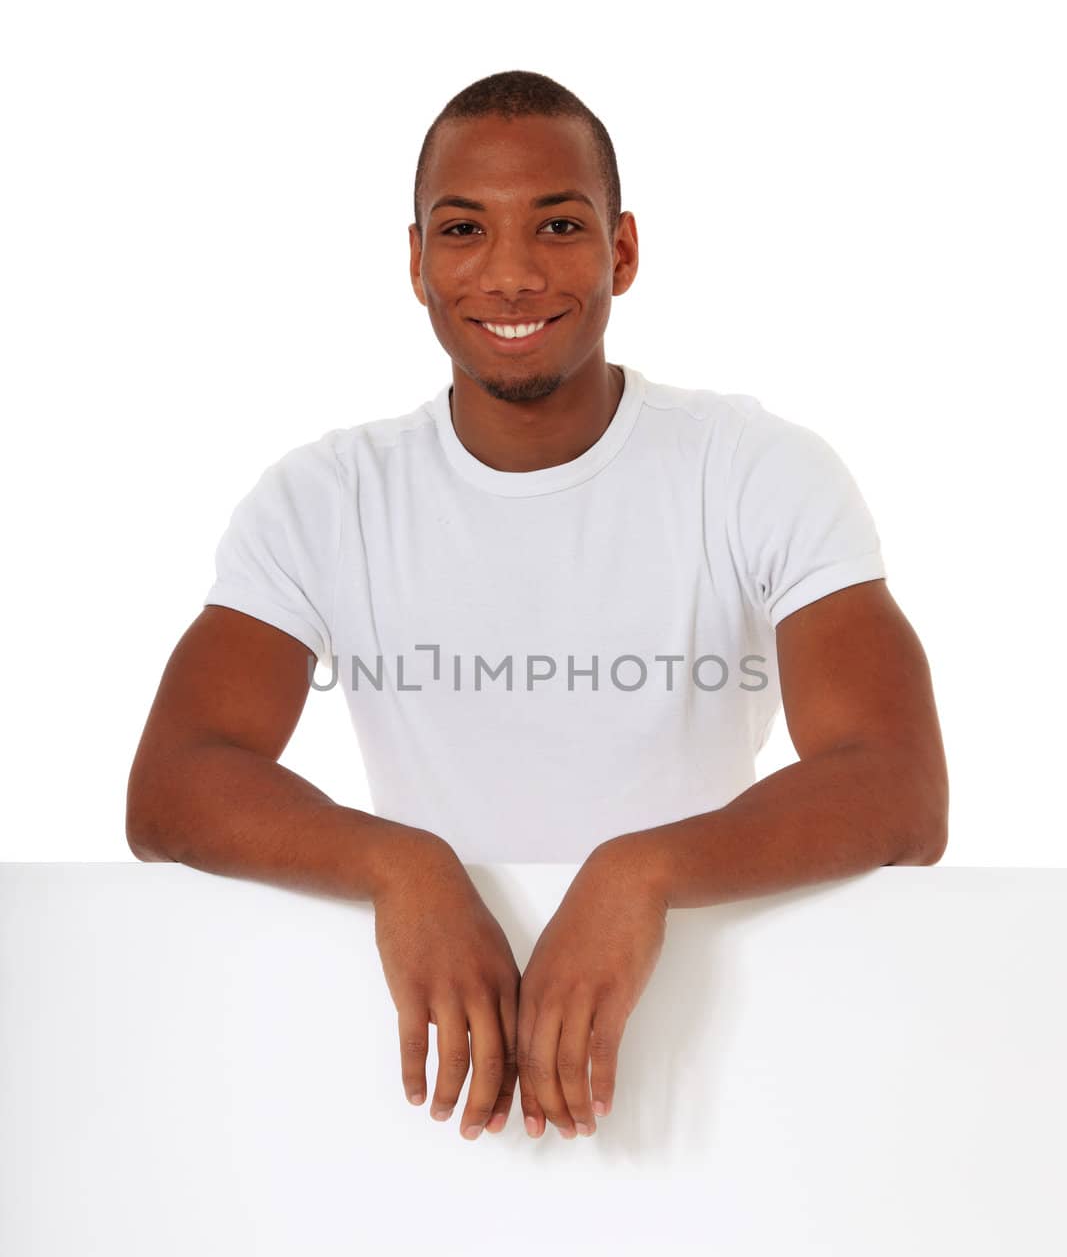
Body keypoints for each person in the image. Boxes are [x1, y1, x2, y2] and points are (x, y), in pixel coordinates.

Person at [126, 69, 949, 1148]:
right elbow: (174, 780)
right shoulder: (328, 495)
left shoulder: (753, 468)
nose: (509, 273)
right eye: (463, 229)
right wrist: (399, 863)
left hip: (731, 1045)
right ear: (415, 262)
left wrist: (639, 871)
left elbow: (897, 783)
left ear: (622, 251)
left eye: (557, 224)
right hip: (418, 1073)